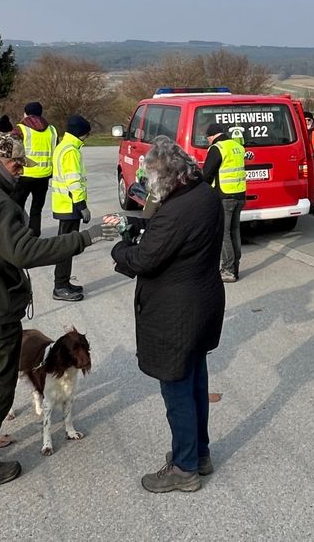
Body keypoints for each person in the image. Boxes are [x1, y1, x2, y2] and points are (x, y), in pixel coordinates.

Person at [0, 132, 116, 491]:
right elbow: (26, 252)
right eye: (16, 166)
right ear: (1, 162)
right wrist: (87, 237)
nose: (18, 173)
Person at [110, 137, 225, 493]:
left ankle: (184, 467)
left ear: (168, 178)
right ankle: (198, 453)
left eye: (151, 179)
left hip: (177, 313)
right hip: (202, 302)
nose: (148, 185)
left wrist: (121, 245)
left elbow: (146, 259)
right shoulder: (204, 193)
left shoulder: (175, 211)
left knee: (177, 391)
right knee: (195, 383)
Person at [51, 114, 92, 302]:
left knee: (67, 245)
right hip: (70, 206)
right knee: (66, 247)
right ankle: (60, 286)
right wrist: (82, 206)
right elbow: (74, 181)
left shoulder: (64, 146)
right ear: (80, 133)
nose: (87, 137)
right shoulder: (71, 151)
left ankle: (64, 282)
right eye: (86, 134)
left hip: (65, 204)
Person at [202, 121, 246, 283]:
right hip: (240, 195)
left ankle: (228, 270)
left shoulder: (217, 148)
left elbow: (207, 174)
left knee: (223, 234)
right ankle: (235, 267)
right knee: (235, 232)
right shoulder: (237, 147)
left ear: (212, 135)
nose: (207, 141)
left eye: (207, 138)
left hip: (224, 197)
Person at [12, 102, 58, 238]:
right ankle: (34, 235)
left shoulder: (20, 129)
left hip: (24, 175)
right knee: (36, 209)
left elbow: (13, 151)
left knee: (16, 206)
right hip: (44, 175)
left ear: (26, 113)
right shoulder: (52, 130)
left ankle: (18, 234)